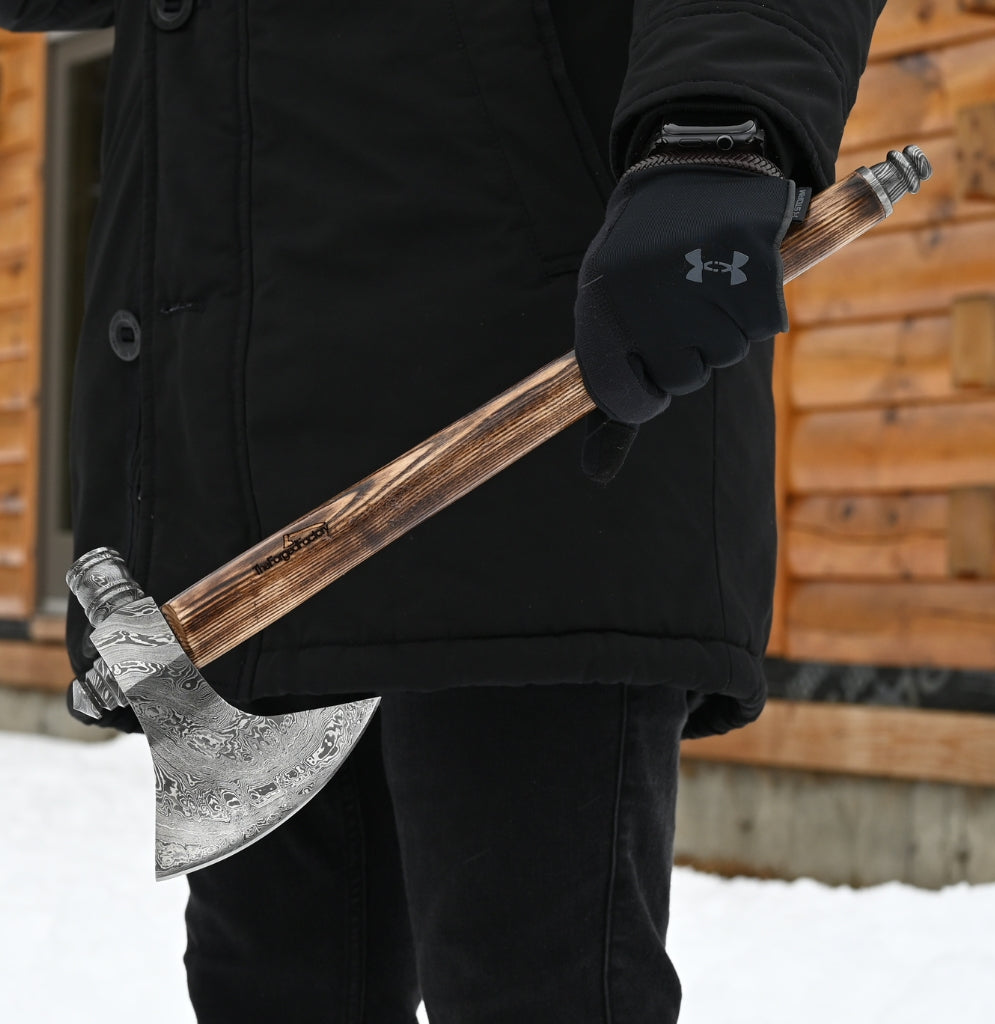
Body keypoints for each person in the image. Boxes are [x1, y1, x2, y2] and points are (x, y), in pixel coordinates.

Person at [2, 1, 885, 1020]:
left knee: (532, 982)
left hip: (526, 407)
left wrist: (722, 120)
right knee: (269, 987)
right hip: (242, 471)